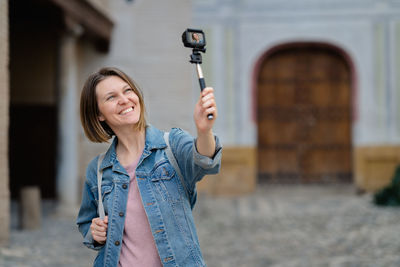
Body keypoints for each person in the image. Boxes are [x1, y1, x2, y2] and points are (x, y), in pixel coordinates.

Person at [76, 67, 222, 267]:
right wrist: (95, 233)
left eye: (127, 90)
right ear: (99, 114)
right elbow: (87, 222)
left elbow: (206, 161)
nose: (124, 99)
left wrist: (204, 131)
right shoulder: (98, 170)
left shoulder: (172, 145)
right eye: (111, 97)